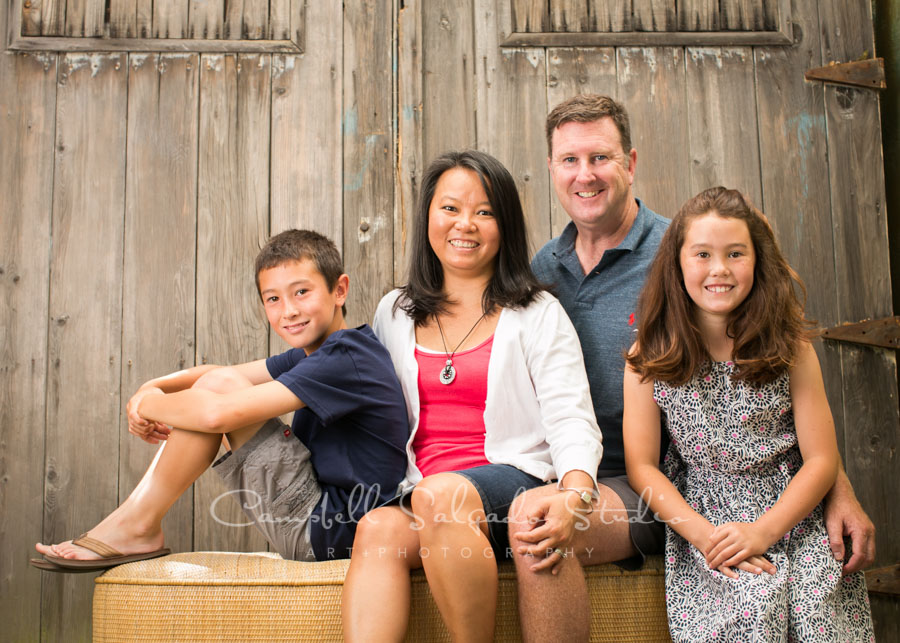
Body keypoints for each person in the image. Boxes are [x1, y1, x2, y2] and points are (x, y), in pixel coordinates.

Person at [508, 94, 876, 641]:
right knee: (536, 525)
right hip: (593, 474)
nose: (585, 175)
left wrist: (837, 487)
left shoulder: (680, 248)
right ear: (551, 169)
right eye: (570, 160)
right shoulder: (541, 268)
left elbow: (799, 429)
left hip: (660, 483)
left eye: (600, 158)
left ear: (630, 163)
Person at [340, 150, 603, 642]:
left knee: (440, 496)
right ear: (427, 219)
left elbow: (571, 417)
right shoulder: (393, 312)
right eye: (450, 208)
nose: (466, 224)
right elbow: (343, 375)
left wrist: (574, 491)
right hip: (423, 493)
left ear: (504, 226)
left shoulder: (537, 312)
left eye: (485, 211)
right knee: (375, 528)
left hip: (513, 482)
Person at [32, 229, 408, 571]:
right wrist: (149, 388)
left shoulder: (347, 358)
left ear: (339, 290)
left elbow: (217, 412)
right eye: (273, 299)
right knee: (219, 382)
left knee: (219, 391)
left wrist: (147, 406)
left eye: (302, 292)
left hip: (335, 533)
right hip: (320, 523)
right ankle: (134, 523)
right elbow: (216, 372)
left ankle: (137, 525)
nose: (288, 310)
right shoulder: (322, 353)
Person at [624, 186, 874, 640]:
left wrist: (764, 532)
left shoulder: (788, 346)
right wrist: (703, 537)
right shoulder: (651, 354)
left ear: (757, 261)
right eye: (702, 254)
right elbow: (642, 467)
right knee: (750, 608)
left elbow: (820, 459)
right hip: (706, 517)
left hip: (792, 511)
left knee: (817, 609)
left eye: (735, 254)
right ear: (677, 263)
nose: (719, 269)